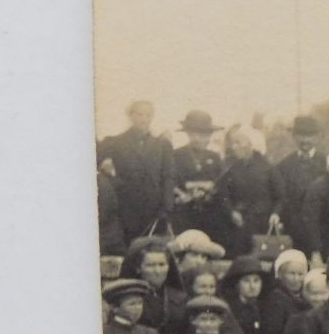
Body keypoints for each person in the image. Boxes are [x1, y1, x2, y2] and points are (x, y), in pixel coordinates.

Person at [99, 100, 174, 243]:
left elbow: (168, 177)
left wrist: (166, 207)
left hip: (155, 209)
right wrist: (113, 180)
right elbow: (94, 160)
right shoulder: (116, 142)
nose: (144, 119)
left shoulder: (162, 144)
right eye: (139, 114)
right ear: (130, 116)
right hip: (126, 206)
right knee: (129, 248)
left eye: (148, 115)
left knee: (153, 250)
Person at [217, 125, 278, 259]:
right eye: (234, 143)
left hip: (261, 225)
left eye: (238, 142)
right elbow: (223, 194)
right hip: (237, 224)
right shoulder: (231, 168)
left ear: (251, 144)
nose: (234, 147)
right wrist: (231, 211)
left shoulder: (268, 168)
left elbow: (280, 196)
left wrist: (276, 214)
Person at [171, 110, 230, 244]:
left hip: (209, 213)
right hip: (184, 212)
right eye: (193, 133)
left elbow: (220, 183)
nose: (197, 138)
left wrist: (210, 191)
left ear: (209, 135)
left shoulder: (214, 157)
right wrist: (182, 194)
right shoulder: (176, 155)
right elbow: (171, 181)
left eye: (203, 134)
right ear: (187, 134)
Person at [271, 115, 326, 255]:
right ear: (294, 136)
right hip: (294, 228)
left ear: (318, 137)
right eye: (301, 135)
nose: (305, 140)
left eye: (310, 135)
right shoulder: (284, 165)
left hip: (322, 227)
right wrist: (277, 214)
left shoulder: (327, 163)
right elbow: (280, 196)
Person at [121, 239, 187, 334]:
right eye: (150, 265)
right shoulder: (126, 298)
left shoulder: (180, 298)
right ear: (138, 268)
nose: (157, 271)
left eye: (162, 264)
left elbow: (188, 333)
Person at [97, 162, 127, 257]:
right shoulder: (103, 181)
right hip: (111, 237)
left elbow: (103, 214)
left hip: (106, 240)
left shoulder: (101, 183)